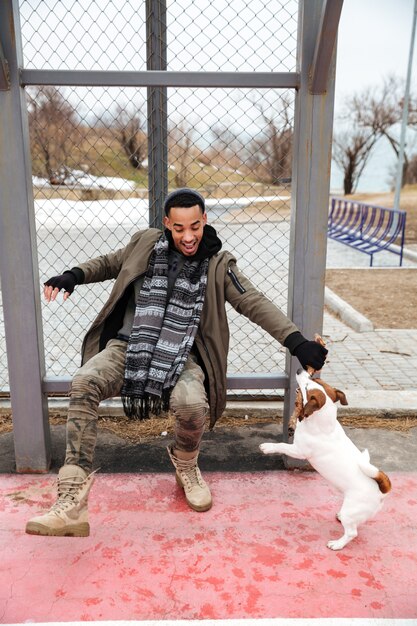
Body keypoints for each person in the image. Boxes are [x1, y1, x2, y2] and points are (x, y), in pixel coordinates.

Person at [26, 188, 327, 537]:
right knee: (84, 381)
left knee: (190, 403)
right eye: (180, 227)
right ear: (167, 224)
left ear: (204, 221)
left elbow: (253, 302)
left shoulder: (217, 263)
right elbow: (110, 262)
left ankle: (186, 464)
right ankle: (71, 501)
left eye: (195, 226)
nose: (189, 236)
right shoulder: (145, 243)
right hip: (129, 346)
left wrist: (296, 342)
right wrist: (74, 275)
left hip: (182, 356)